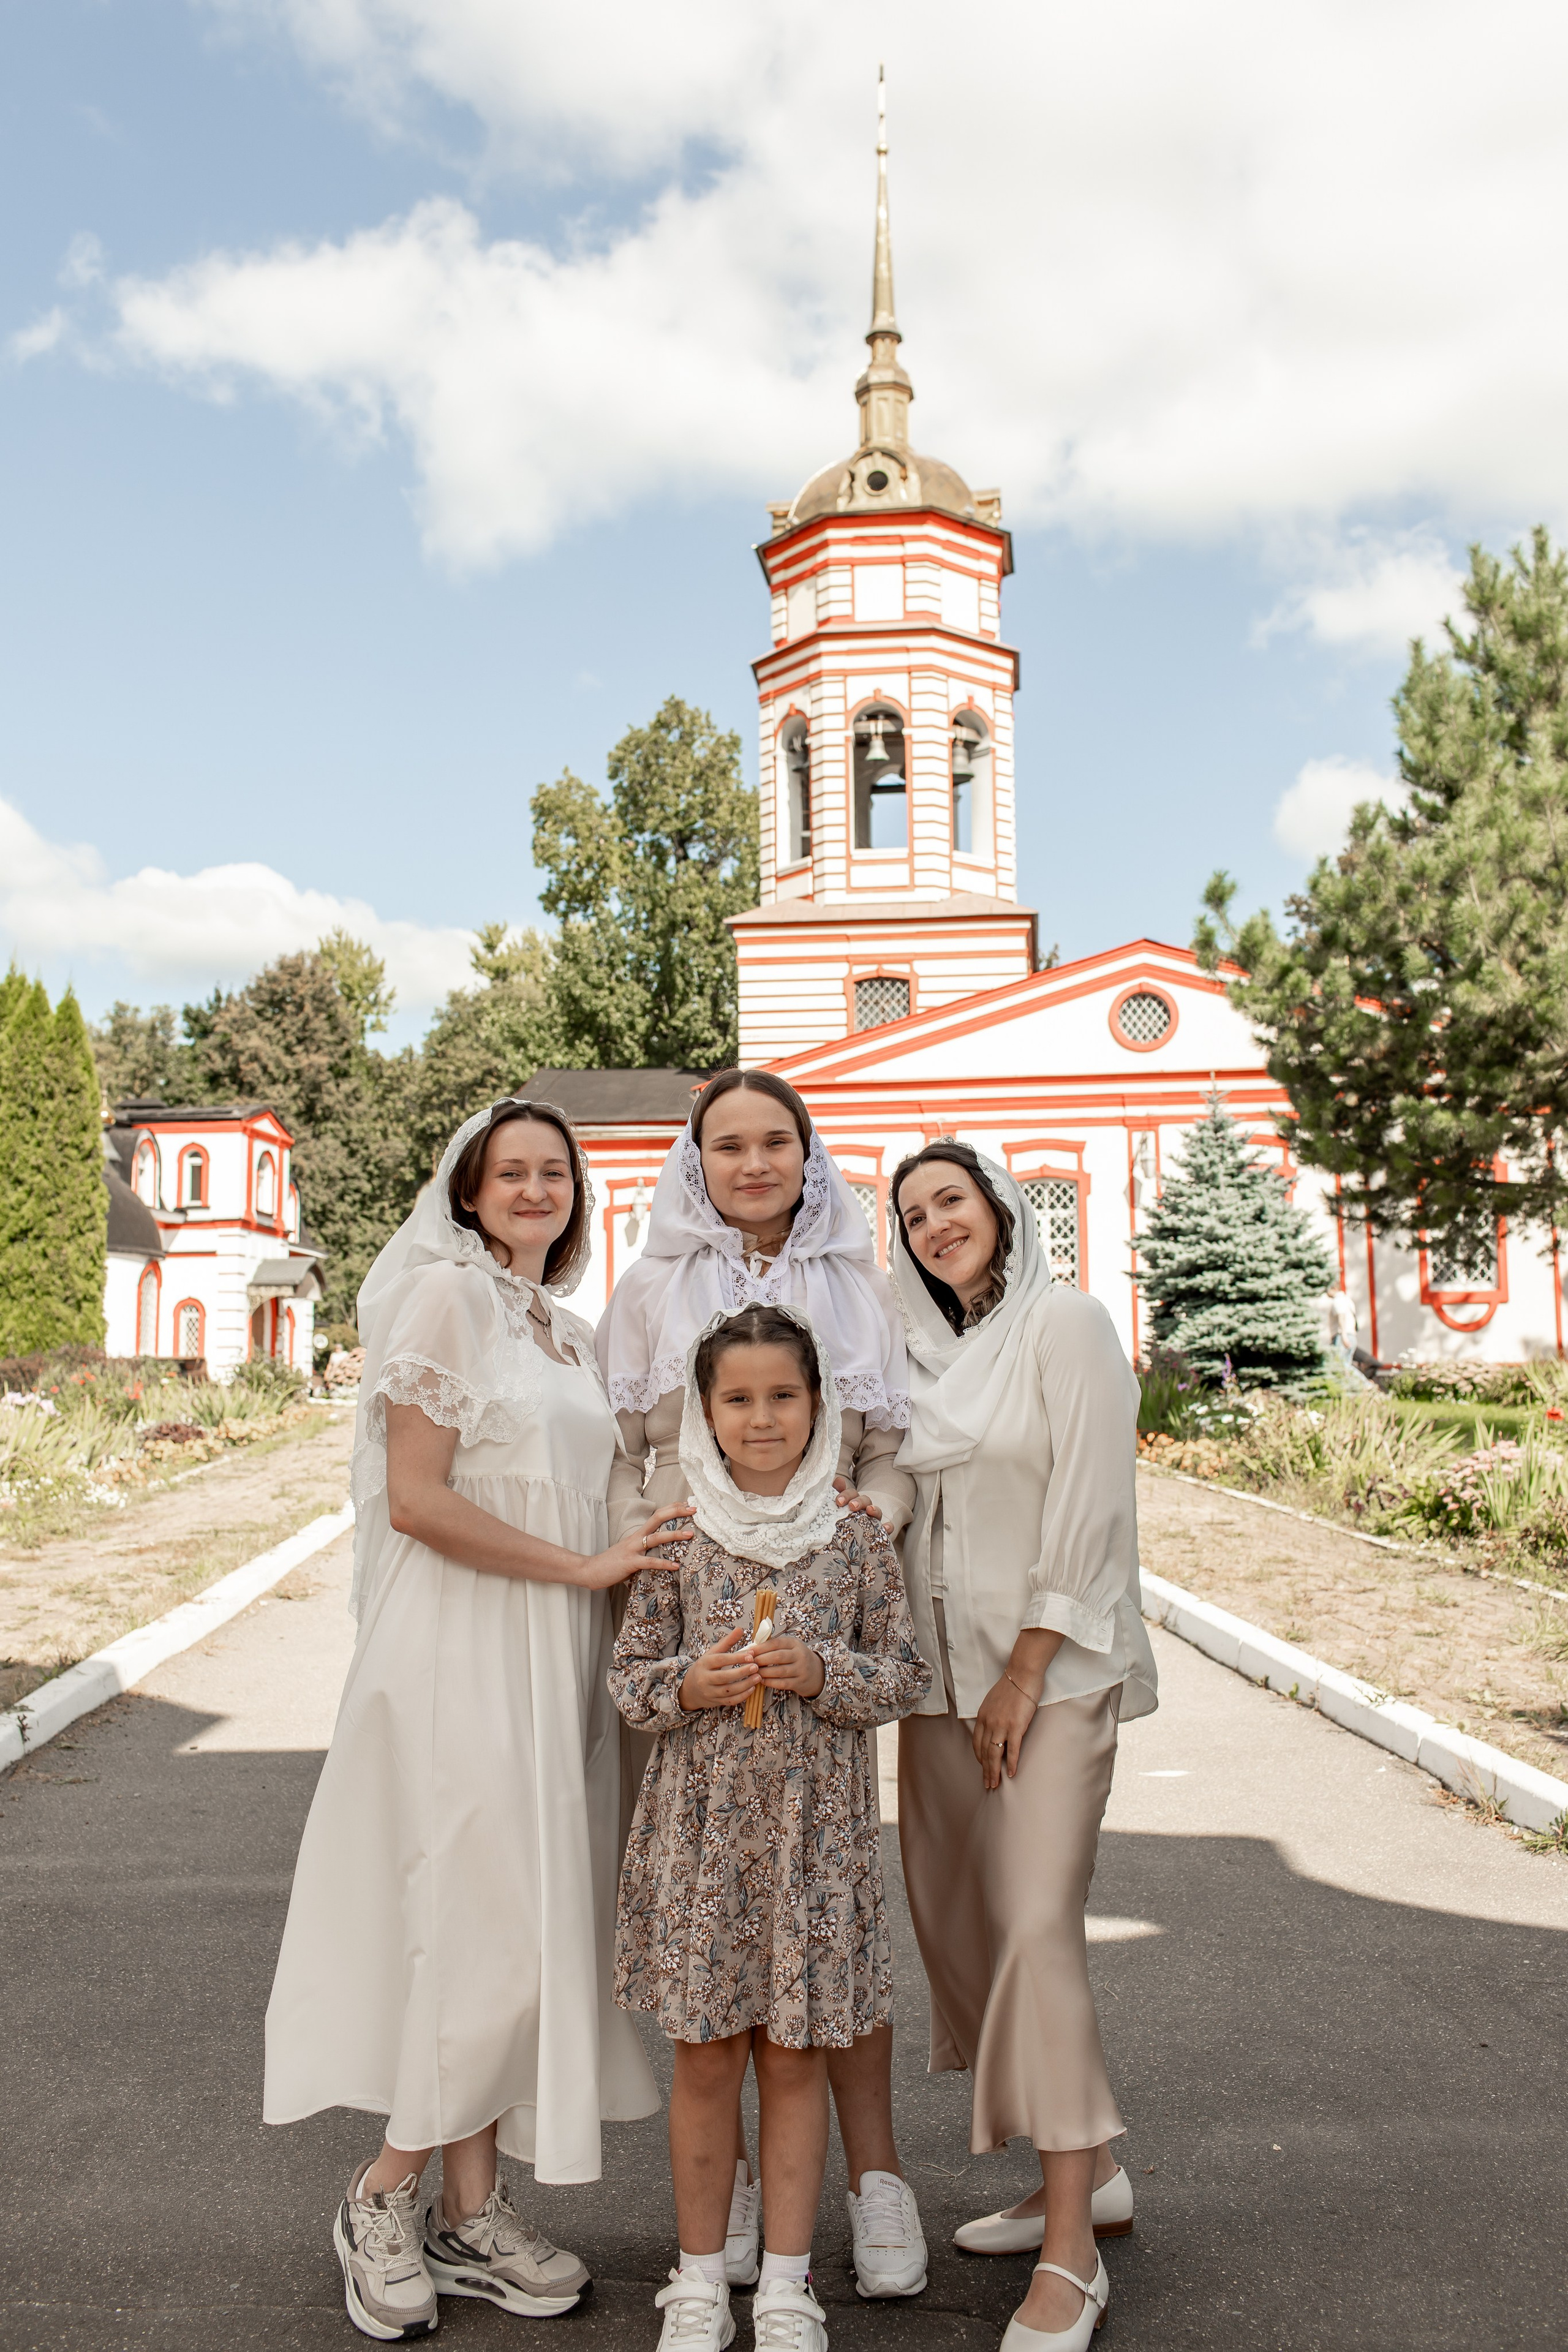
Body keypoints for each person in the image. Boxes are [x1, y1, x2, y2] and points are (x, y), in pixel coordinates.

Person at [264, 1098, 690, 2343]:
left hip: (552, 1648)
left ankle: (469, 2209)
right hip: (461, 1642)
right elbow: (414, 1499)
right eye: (509, 1171)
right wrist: (581, 1574)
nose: (533, 1188)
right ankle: (382, 2194)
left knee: (523, 1912)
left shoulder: (557, 1331)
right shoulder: (443, 1299)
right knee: (477, 1911)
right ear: (465, 1189)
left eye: (553, 1172)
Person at [597, 1069, 928, 2301]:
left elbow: (891, 1457)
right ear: (694, 1163)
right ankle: (724, 2190)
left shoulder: (854, 1285)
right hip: (695, 1595)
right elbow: (626, 1450)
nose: (751, 1164)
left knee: (824, 1927)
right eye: (725, 1145)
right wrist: (666, 1535)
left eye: (773, 1143)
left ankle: (871, 2177)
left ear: (806, 1155)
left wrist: (863, 1522)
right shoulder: (649, 1291)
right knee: (717, 1932)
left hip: (824, 1599)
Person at [888, 1142, 1159, 2352]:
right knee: (965, 1929)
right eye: (911, 1215)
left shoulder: (1068, 1327)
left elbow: (1089, 1508)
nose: (933, 1224)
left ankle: (1067, 2257)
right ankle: (1088, 2172)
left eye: (950, 1200)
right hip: (938, 1692)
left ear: (997, 1206)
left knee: (1037, 1932)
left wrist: (1024, 1668)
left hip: (1040, 1687)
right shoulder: (921, 1359)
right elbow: (899, 1502)